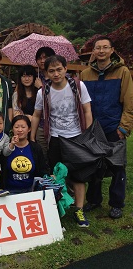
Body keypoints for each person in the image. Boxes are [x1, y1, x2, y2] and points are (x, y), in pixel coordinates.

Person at [30, 55, 93, 227]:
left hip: (76, 137)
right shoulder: (43, 91)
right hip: (56, 138)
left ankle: (79, 210)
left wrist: (87, 134)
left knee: (79, 176)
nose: (56, 73)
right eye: (51, 71)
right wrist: (32, 136)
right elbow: (36, 115)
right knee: (57, 175)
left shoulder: (78, 86)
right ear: (46, 73)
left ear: (66, 69)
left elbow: (87, 110)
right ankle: (58, 210)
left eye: (59, 69)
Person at [80, 36, 133, 219]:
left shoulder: (122, 72)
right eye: (97, 48)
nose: (101, 51)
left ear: (112, 50)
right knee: (93, 165)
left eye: (105, 47)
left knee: (117, 166)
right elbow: (81, 103)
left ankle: (116, 203)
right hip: (92, 128)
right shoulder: (85, 74)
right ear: (93, 51)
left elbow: (129, 101)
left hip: (114, 126)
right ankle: (94, 200)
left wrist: (124, 127)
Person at [1, 115, 50, 193]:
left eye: (23, 127)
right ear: (12, 129)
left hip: (31, 191)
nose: (20, 130)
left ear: (29, 129)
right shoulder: (7, 146)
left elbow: (43, 168)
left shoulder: (35, 148)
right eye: (16, 127)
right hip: (9, 191)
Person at [34, 47, 56, 161]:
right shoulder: (35, 77)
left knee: (55, 155)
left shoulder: (58, 78)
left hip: (56, 125)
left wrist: (41, 88)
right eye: (40, 58)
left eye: (45, 57)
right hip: (41, 124)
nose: (42, 61)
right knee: (42, 156)